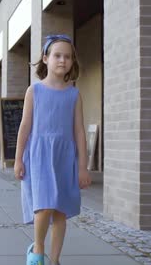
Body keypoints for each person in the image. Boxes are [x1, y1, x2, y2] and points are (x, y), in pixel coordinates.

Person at [14, 34, 92, 265]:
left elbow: (79, 131)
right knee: (44, 205)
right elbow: (25, 126)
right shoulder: (34, 91)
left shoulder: (73, 94)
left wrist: (83, 167)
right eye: (57, 55)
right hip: (38, 156)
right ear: (46, 59)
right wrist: (18, 159)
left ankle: (55, 259)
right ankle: (38, 249)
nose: (62, 60)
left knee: (60, 211)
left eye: (67, 57)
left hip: (64, 157)